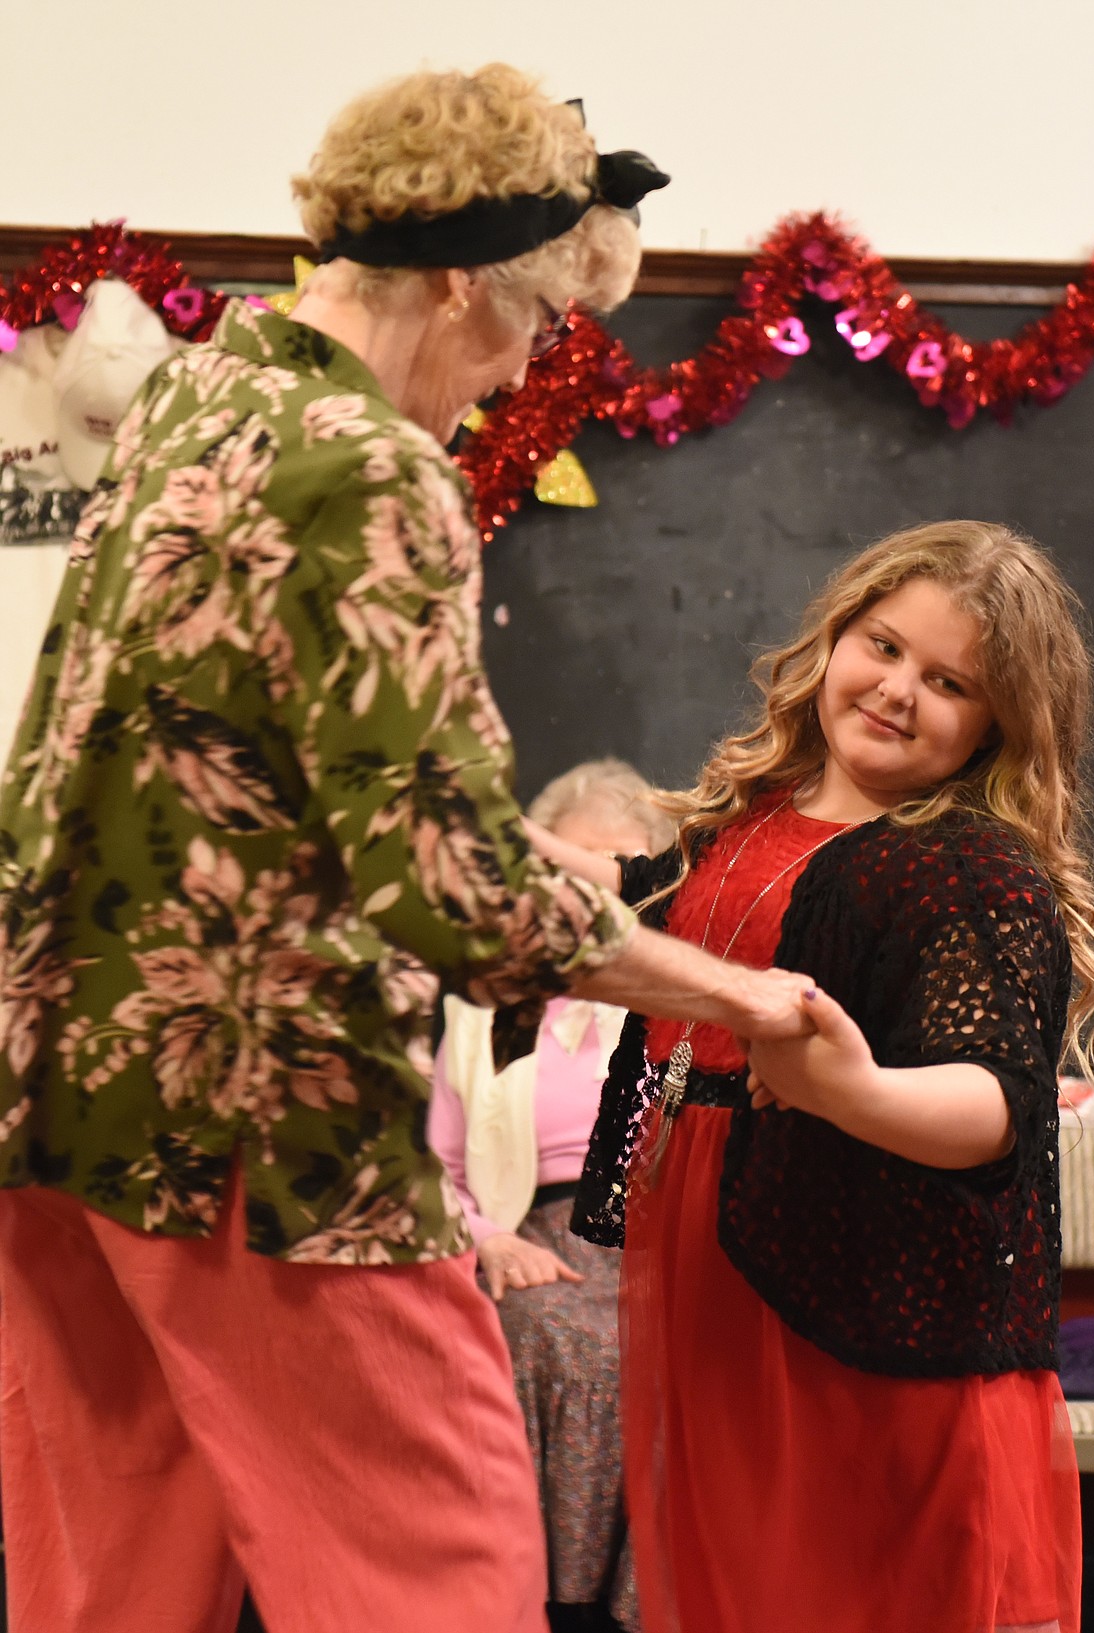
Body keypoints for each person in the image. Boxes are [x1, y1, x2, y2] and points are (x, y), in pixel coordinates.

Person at [0, 66, 815, 1633]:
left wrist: (497, 848)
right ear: (457, 281)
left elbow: (222, 763)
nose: (519, 373)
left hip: (58, 1089)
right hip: (259, 1122)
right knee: (437, 1572)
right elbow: (449, 896)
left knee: (110, 1577)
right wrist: (729, 992)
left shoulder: (198, 393)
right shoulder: (376, 470)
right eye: (528, 326)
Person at [529, 520, 1094, 1633]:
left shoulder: (963, 866)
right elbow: (657, 892)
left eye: (950, 682)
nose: (899, 690)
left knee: (839, 1583)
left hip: (848, 1295)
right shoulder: (761, 816)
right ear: (836, 633)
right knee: (732, 1577)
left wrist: (853, 1090)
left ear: (1001, 723)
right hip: (715, 1255)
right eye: (884, 646)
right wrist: (486, 842)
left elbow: (995, 1107)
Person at [430, 759, 674, 1632]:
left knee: (680, 1349)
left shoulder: (682, 1000)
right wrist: (489, 1238)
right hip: (528, 1233)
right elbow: (432, 1170)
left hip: (659, 1244)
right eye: (571, 869)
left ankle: (643, 1611)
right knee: (544, 1333)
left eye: (615, 870)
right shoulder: (480, 1007)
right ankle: (535, 1602)